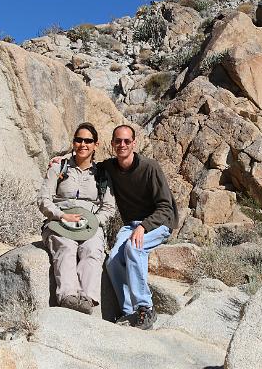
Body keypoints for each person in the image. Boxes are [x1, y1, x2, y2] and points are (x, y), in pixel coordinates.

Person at [103, 124, 178, 330]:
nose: (122, 145)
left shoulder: (149, 167)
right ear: (112, 144)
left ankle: (146, 307)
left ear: (134, 143)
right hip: (131, 225)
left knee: (133, 249)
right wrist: (60, 162)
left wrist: (144, 227)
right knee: (112, 261)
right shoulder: (110, 167)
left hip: (158, 223)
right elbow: (86, 164)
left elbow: (165, 207)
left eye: (127, 141)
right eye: (118, 141)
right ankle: (129, 312)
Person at [38, 122, 115, 314]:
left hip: (90, 224)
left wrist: (95, 222)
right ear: (73, 143)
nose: (83, 144)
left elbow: (108, 207)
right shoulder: (60, 167)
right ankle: (68, 297)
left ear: (95, 145)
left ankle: (87, 299)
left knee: (92, 249)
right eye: (78, 140)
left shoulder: (102, 174)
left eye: (88, 141)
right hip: (59, 221)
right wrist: (61, 215)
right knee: (66, 246)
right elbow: (43, 199)